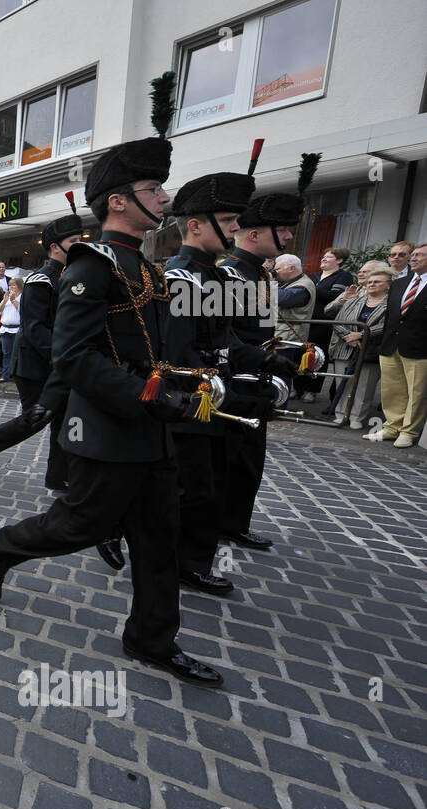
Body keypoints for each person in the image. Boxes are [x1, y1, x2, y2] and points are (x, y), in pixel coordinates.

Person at [0, 85, 224, 688]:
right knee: (76, 527)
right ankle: (1, 547)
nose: (164, 197)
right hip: (114, 430)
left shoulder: (146, 263)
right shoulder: (93, 265)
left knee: (159, 539)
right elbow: (76, 355)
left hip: (154, 432)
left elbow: (154, 346)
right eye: (152, 190)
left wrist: (191, 380)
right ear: (118, 201)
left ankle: (150, 640)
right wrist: (147, 394)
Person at [161, 167, 269, 596]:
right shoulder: (182, 277)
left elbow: (225, 340)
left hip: (217, 397)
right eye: (228, 222)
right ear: (194, 225)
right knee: (195, 489)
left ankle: (186, 557)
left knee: (206, 485)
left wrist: (271, 360)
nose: (236, 229)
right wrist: (203, 389)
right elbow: (178, 352)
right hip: (192, 400)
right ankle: (182, 562)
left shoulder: (219, 276)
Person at [218, 158, 313, 550]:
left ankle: (234, 522)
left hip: (256, 380)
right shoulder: (229, 275)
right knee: (223, 463)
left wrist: (286, 354)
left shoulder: (261, 274)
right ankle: (210, 528)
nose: (289, 237)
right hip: (231, 382)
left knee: (248, 463)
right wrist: (263, 361)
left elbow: (261, 331)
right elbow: (220, 338)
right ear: (254, 233)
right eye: (283, 230)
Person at [0, 204, 83, 490]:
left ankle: (59, 477)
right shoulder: (41, 280)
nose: (80, 246)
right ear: (55, 247)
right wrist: (63, 358)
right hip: (36, 363)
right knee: (36, 418)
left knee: (63, 417)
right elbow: (35, 329)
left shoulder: (69, 276)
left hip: (57, 363)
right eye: (74, 242)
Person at [370, 242, 427, 447]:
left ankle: (409, 431)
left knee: (416, 391)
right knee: (392, 389)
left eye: (420, 255)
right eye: (414, 255)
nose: (414, 258)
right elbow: (390, 316)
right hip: (391, 344)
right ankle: (392, 426)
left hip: (419, 347)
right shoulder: (401, 283)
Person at [326, 260, 390, 426]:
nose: (371, 284)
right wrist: (349, 336)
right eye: (369, 282)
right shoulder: (354, 299)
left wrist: (361, 334)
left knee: (364, 386)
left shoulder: (390, 304)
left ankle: (356, 417)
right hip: (345, 347)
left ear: (388, 285)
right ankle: (340, 414)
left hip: (371, 350)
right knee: (342, 381)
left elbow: (387, 325)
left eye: (377, 282)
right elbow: (337, 321)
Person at [304, 246, 354, 404]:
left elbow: (334, 296)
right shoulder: (313, 276)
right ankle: (297, 387)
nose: (323, 259)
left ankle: (312, 390)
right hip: (307, 321)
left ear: (339, 260)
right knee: (302, 354)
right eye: (323, 256)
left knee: (318, 356)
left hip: (324, 323)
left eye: (329, 257)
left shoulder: (344, 276)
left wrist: (311, 290)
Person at [273, 254, 316, 400]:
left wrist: (265, 282)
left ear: (292, 268)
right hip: (280, 334)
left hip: (288, 338)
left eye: (277, 269)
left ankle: (279, 403)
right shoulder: (287, 282)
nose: (275, 272)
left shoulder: (304, 285)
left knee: (281, 372)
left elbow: (283, 298)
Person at [0, 277, 23, 381]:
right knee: (6, 353)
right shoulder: (6, 298)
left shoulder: (22, 297)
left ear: (19, 286)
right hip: (6, 329)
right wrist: (5, 301)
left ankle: (16, 375)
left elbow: (22, 309)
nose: (11, 287)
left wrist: (13, 300)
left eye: (14, 285)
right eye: (10, 285)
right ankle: (5, 375)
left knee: (17, 354)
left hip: (17, 329)